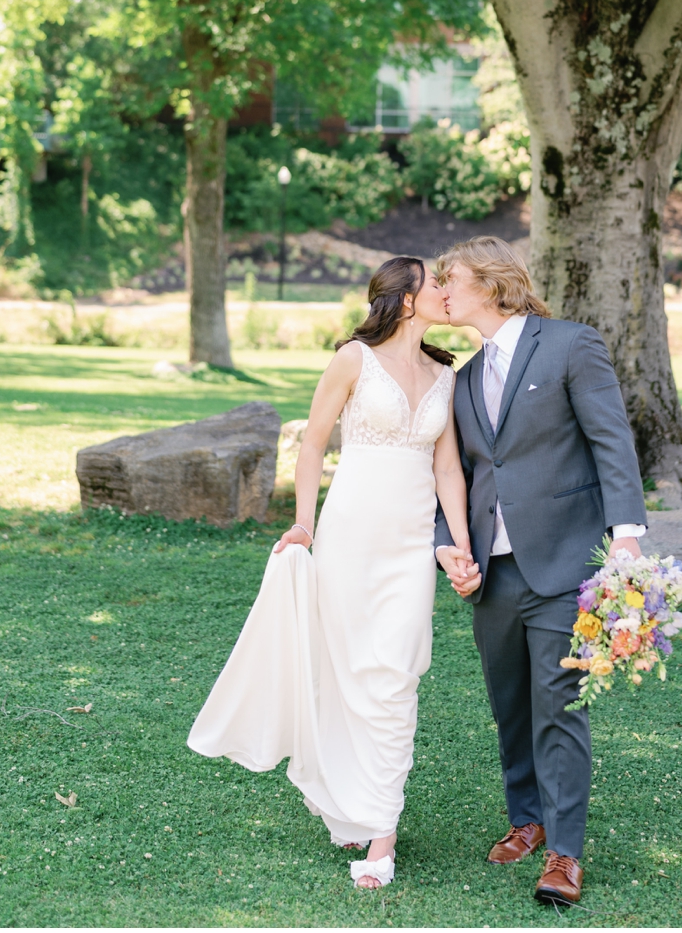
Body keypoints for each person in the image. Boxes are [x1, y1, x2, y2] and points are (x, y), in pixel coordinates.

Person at [188, 257, 473, 892]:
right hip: (348, 537)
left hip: (408, 548)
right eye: (436, 286)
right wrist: (305, 524)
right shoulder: (352, 360)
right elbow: (314, 441)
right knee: (344, 672)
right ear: (404, 300)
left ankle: (382, 833)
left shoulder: (444, 372)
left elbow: (448, 467)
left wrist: (457, 543)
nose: (447, 295)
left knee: (395, 679)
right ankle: (345, 799)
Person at [434, 236, 647, 909]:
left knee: (560, 707)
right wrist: (451, 546)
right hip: (492, 576)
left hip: (563, 562)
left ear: (494, 285)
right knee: (511, 703)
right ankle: (524, 818)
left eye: (451, 279)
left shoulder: (569, 345)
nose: (441, 289)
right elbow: (460, 477)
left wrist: (628, 538)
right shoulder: (462, 378)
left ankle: (564, 851)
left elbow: (612, 439)